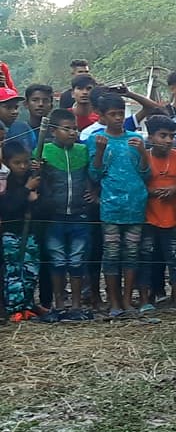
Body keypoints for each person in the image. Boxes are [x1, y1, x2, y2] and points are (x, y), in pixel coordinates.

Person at [86, 91, 149, 317]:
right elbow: (94, 174)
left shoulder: (136, 139)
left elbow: (145, 173)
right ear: (102, 116)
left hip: (135, 204)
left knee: (132, 253)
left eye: (120, 113)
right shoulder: (96, 139)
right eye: (112, 114)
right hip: (111, 206)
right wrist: (100, 152)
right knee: (111, 254)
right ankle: (113, 301)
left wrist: (143, 153)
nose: (118, 118)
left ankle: (126, 300)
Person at [40, 110, 94, 311]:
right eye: (67, 129)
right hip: (54, 215)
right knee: (57, 258)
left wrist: (93, 193)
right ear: (53, 131)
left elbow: (92, 176)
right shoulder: (44, 151)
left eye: (75, 128)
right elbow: (36, 176)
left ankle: (77, 303)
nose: (73, 132)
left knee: (78, 258)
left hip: (79, 214)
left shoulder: (82, 150)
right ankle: (60, 301)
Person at [138, 115, 176, 310]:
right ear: (150, 137)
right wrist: (150, 192)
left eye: (171, 136)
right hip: (148, 218)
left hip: (172, 218)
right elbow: (137, 182)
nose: (168, 140)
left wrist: (173, 189)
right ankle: (144, 300)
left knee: (175, 258)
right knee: (146, 258)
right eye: (163, 136)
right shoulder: (144, 156)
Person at [1, 142, 41, 319]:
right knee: (13, 270)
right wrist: (26, 190)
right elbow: (7, 206)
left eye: (25, 162)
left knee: (30, 269)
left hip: (30, 232)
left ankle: (28, 304)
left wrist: (33, 195)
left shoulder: (33, 177)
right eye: (17, 163)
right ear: (7, 163)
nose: (22, 166)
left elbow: (42, 201)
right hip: (10, 232)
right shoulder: (5, 181)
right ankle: (14, 308)